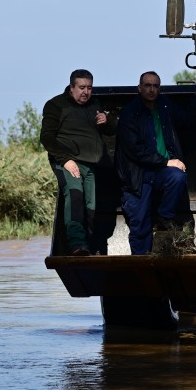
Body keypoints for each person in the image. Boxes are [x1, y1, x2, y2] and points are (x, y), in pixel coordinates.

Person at [114, 71, 196, 255]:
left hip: (160, 171)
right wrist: (167, 162)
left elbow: (187, 119)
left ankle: (165, 217)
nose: (152, 90)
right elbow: (136, 152)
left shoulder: (164, 105)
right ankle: (141, 266)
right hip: (137, 175)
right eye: (148, 85)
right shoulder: (130, 113)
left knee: (178, 176)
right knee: (140, 226)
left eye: (156, 86)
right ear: (139, 88)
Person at [40, 69, 116, 256]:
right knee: (75, 197)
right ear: (71, 87)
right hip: (67, 161)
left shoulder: (95, 104)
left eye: (89, 88)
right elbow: (46, 137)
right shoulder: (56, 105)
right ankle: (76, 244)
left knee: (90, 206)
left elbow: (111, 131)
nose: (86, 92)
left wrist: (107, 121)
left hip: (91, 163)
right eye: (81, 88)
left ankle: (85, 246)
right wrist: (66, 160)